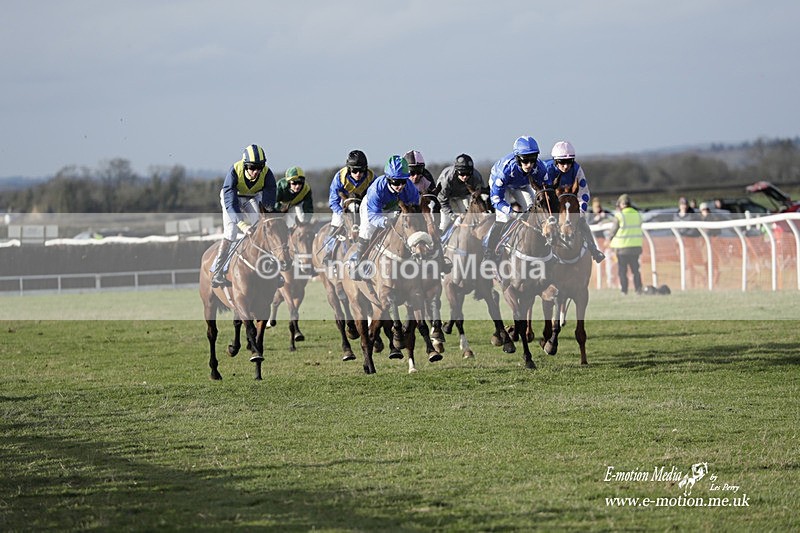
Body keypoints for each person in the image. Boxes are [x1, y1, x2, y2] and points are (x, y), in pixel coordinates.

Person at [210, 144, 277, 287]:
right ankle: (218, 271)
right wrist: (242, 225)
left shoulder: (267, 174)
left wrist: (268, 214)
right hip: (232, 199)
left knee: (263, 229)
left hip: (252, 197)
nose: (256, 171)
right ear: (245, 166)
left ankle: (272, 268)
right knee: (231, 232)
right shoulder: (234, 171)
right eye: (252, 167)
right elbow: (231, 203)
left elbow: (269, 201)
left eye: (259, 167)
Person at [350, 155, 420, 279]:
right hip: (373, 209)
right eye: (396, 182)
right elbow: (373, 215)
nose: (400, 186)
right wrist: (385, 221)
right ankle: (359, 264)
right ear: (388, 179)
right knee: (367, 231)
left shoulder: (410, 188)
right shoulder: (376, 190)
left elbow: (414, 210)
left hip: (394, 208)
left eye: (403, 181)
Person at [486, 135, 548, 260]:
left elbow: (547, 191)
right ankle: (489, 254)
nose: (529, 165)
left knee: (534, 212)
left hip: (522, 185)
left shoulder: (541, 168)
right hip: (502, 186)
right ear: (517, 158)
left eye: (533, 160)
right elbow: (496, 200)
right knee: (504, 218)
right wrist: (513, 212)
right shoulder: (504, 171)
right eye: (525, 160)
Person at [544, 141, 605, 263]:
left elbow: (584, 193)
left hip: (568, 202)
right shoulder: (546, 169)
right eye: (562, 162)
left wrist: (580, 212)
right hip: (549, 201)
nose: (566, 166)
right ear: (555, 161)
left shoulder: (577, 169)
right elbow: (541, 193)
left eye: (569, 162)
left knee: (581, 221)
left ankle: (594, 249)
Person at [323, 150, 375, 258]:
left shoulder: (372, 178)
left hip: (363, 202)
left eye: (361, 170)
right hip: (345, 203)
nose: (358, 174)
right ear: (348, 168)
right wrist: (341, 213)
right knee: (336, 221)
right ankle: (328, 252)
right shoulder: (339, 178)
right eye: (354, 170)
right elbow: (333, 201)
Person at [436, 153, 486, 232]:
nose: (465, 177)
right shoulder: (446, 179)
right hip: (446, 198)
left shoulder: (476, 176)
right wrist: (453, 216)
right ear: (456, 171)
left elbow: (482, 194)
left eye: (468, 173)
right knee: (445, 223)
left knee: (469, 218)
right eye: (462, 174)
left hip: (463, 196)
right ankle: (441, 240)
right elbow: (442, 201)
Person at [608, 194, 643, 295]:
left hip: (622, 248)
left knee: (622, 271)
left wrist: (609, 239)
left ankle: (624, 290)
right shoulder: (637, 214)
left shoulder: (619, 215)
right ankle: (638, 289)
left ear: (622, 204)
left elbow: (613, 231)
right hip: (636, 247)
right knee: (635, 270)